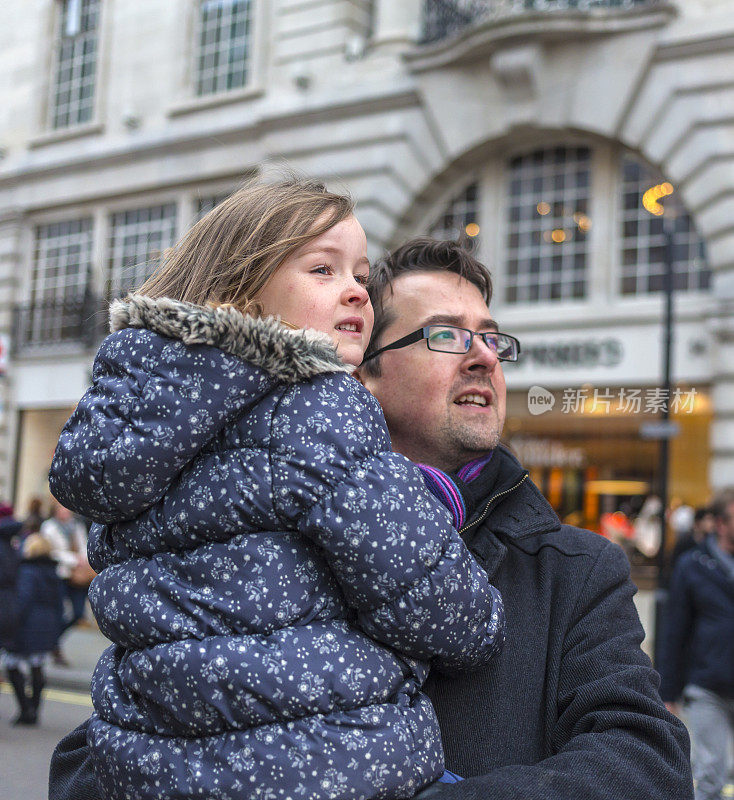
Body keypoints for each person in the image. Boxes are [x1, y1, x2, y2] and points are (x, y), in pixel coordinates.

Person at [48, 236, 693, 800]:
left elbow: (647, 762)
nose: (484, 357)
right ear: (363, 374)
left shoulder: (573, 569)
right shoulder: (251, 535)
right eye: (447, 335)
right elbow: (92, 757)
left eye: (490, 337)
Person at [47, 181, 504, 800]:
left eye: (361, 277)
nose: (354, 291)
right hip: (326, 763)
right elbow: (449, 616)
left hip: (147, 763)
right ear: (241, 292)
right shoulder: (318, 410)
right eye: (322, 269)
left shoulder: (135, 419)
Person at [658, 488, 734, 800]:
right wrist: (668, 691)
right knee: (710, 775)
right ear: (720, 523)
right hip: (707, 684)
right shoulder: (693, 565)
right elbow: (675, 630)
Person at [4, 533, 64, 725]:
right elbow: (60, 602)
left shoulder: (27, 571)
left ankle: (25, 709)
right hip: (47, 623)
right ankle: (34, 710)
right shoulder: (53, 571)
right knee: (36, 665)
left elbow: (23, 600)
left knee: (12, 665)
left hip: (28, 624)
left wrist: (11, 621)